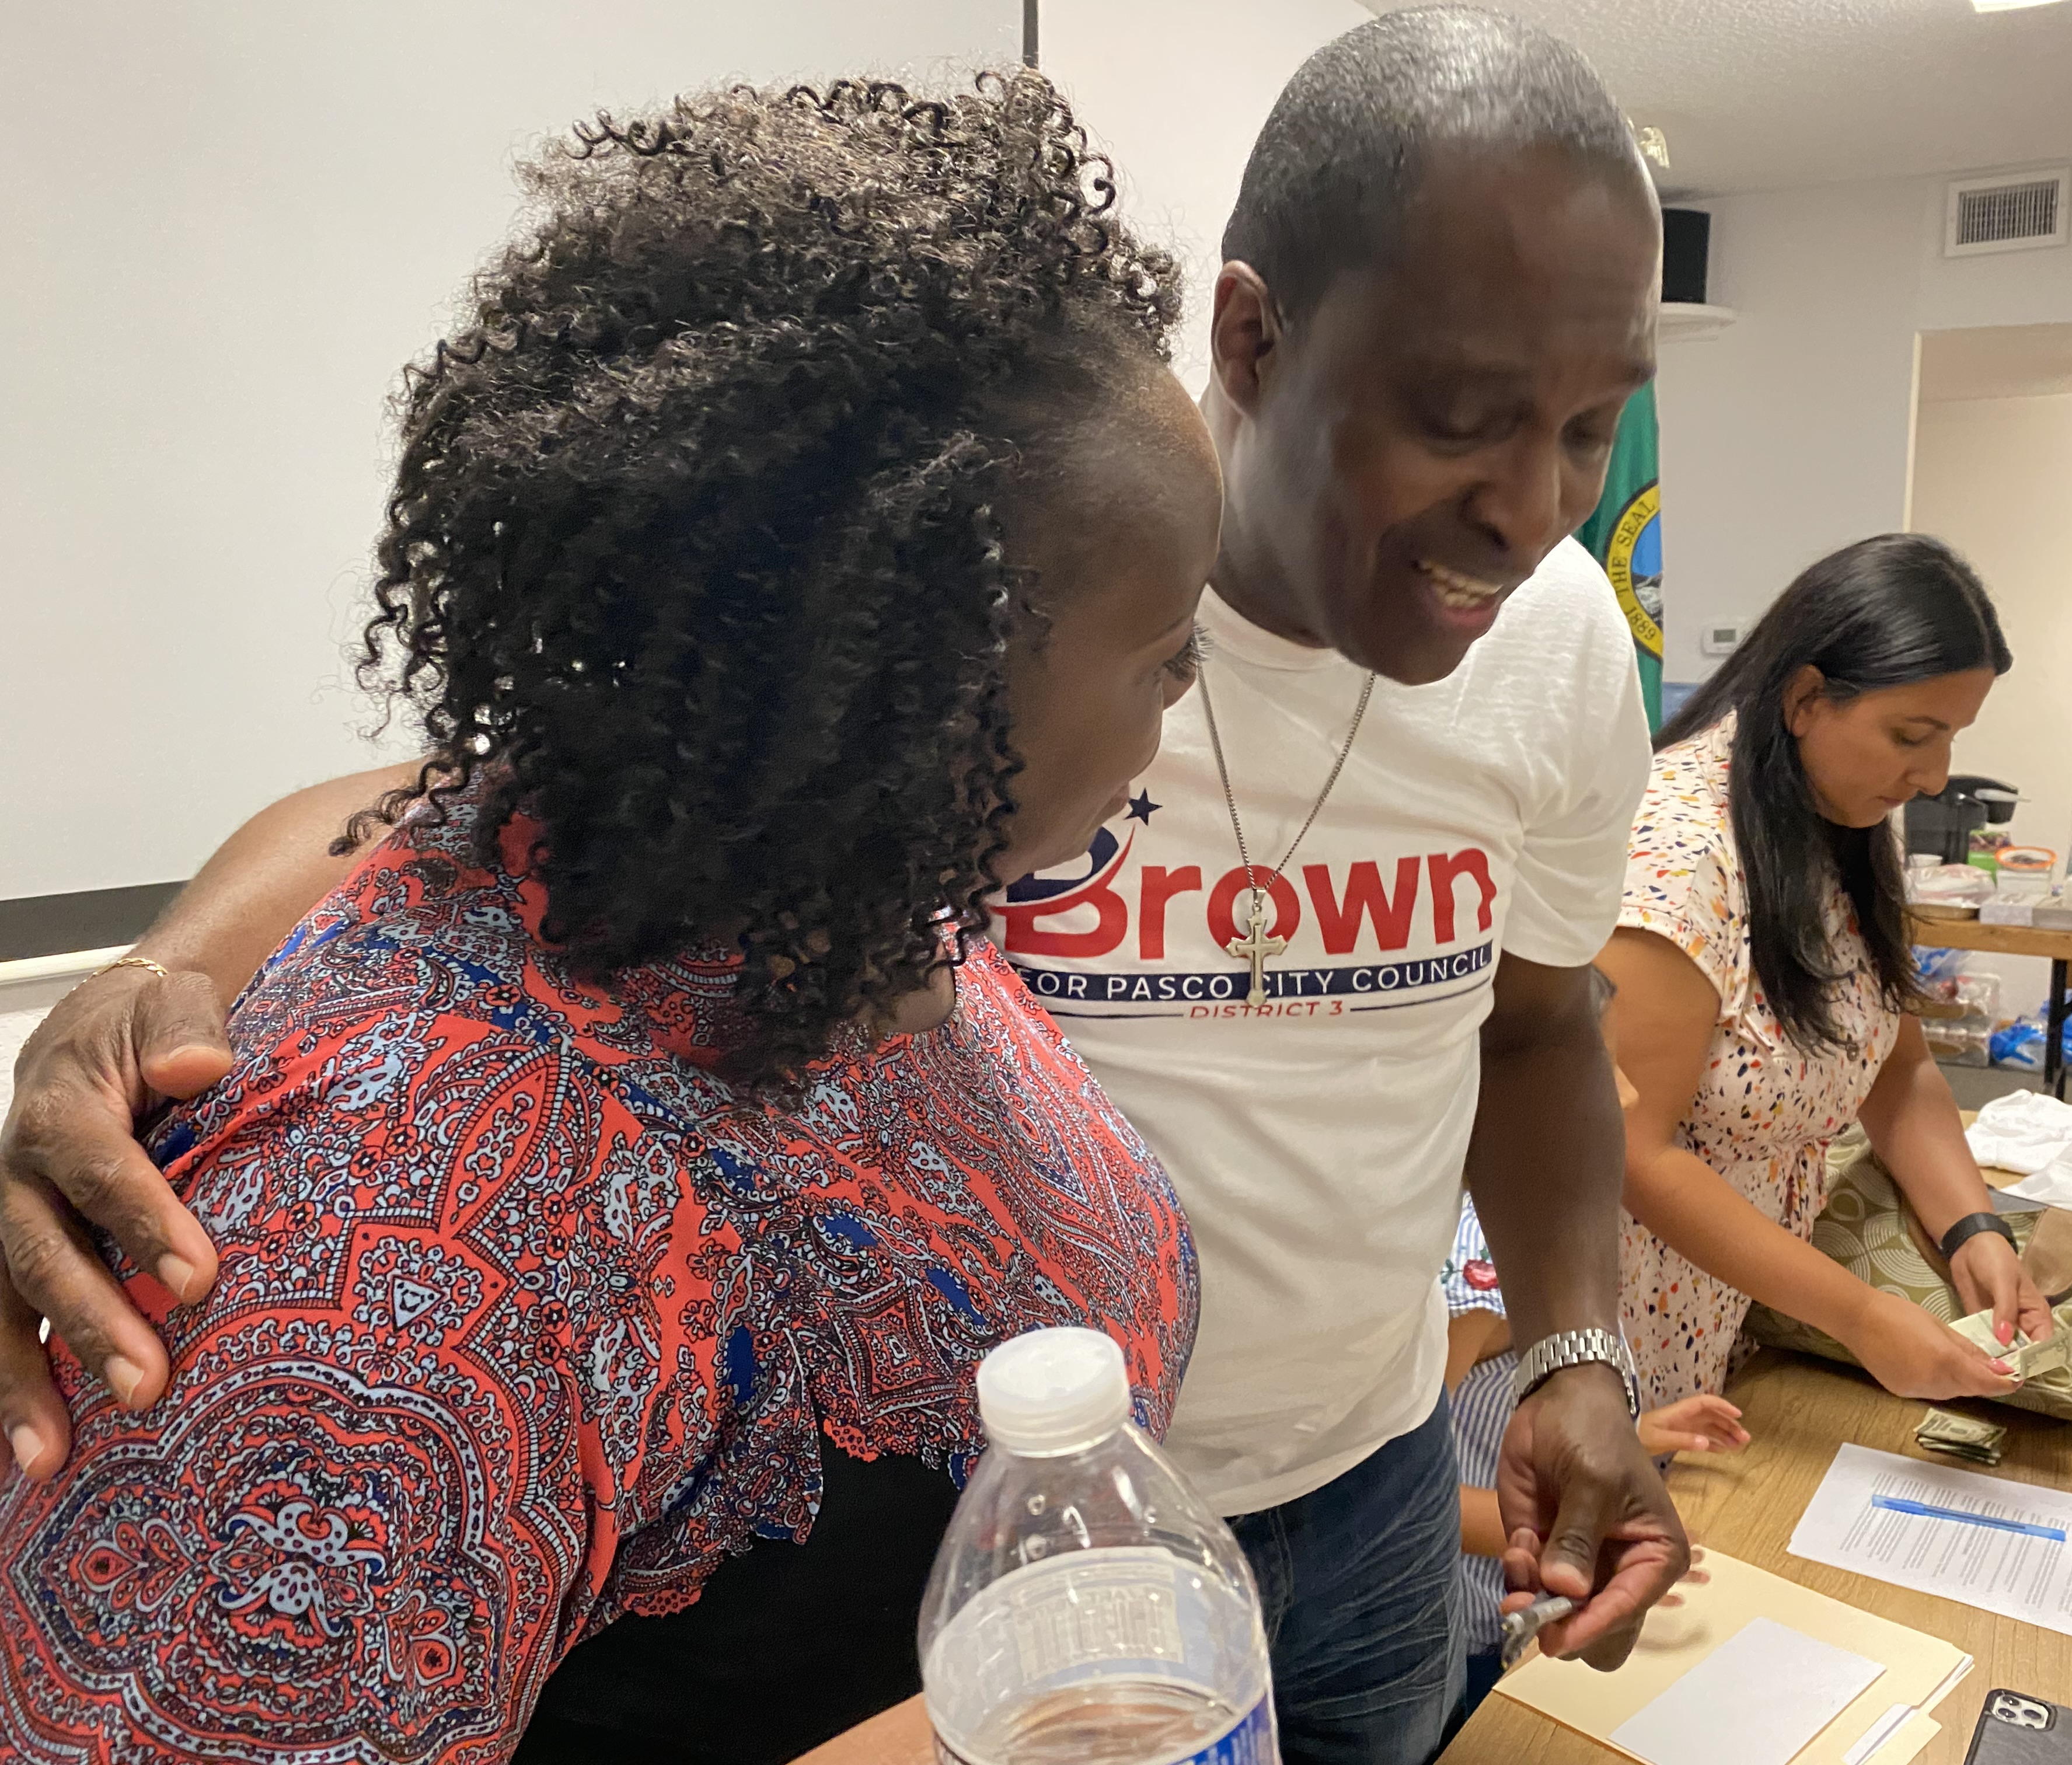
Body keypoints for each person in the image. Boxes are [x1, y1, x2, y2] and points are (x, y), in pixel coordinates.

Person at [0, 13, 1691, 1760]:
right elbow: (450, 827)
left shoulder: (893, 901)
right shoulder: (393, 1272)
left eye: (1592, 429)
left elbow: (1538, 1029)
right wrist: (129, 1008)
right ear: (916, 685)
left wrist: (1571, 1348)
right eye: (1465, 416)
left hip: (1342, 1498)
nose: (1536, 508)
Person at [0, 74, 1220, 1763]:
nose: (1185, 698)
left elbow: (406, 797)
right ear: (929, 694)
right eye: (1166, 655)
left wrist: (156, 961)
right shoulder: (382, 1287)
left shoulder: (820, 870)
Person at [1597, 533, 2055, 1417]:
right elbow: (1631, 1152)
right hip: (1623, 1329)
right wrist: (1861, 1317)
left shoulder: (1841, 823)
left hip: (1742, 1321)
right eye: (1911, 737)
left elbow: (1897, 1064)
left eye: (1952, 740)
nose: (1935, 777)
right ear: (1807, 699)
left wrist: (1974, 1229)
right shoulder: (1679, 856)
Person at [1440, 978, 1746, 1726]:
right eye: (1603, 1069)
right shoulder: (1477, 1268)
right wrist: (1588, 1528)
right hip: (1476, 1623)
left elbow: (1501, 1416)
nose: (1631, 1097)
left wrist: (1634, 1437)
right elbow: (1412, 1495)